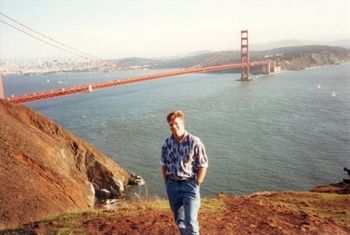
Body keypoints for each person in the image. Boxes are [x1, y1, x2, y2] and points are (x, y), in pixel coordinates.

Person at [160, 110, 208, 235]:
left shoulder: (194, 142)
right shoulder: (166, 144)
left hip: (189, 185)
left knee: (191, 221)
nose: (173, 127)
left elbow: (203, 164)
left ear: (182, 123)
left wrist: (197, 182)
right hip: (172, 186)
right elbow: (164, 165)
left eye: (176, 123)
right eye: (171, 125)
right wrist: (168, 184)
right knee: (179, 220)